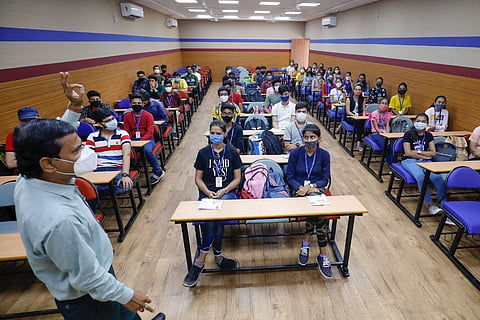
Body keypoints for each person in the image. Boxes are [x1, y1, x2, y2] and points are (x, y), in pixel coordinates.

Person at [13, 119, 165, 319]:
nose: (86, 153)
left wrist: (73, 110)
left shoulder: (28, 179)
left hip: (94, 276)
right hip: (89, 297)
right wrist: (127, 295)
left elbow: (53, 143)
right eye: (77, 151)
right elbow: (88, 278)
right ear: (48, 163)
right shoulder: (60, 221)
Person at [183, 120, 242, 287]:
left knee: (216, 214)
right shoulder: (203, 153)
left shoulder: (231, 152)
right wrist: (208, 193)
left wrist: (223, 191)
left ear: (224, 134)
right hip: (207, 194)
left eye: (218, 133)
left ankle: (200, 261)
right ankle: (218, 256)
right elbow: (198, 179)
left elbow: (237, 179)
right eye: (212, 133)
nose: (215, 136)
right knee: (214, 217)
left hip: (227, 193)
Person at [285, 123, 332, 278]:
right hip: (298, 189)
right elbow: (289, 176)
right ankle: (323, 254)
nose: (309, 140)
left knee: (316, 207)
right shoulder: (295, 154)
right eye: (306, 137)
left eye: (312, 137)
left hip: (315, 189)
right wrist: (300, 187)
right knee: (319, 212)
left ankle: (306, 242)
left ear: (319, 138)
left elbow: (325, 179)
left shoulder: (324, 155)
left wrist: (312, 186)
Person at [401, 113, 446, 215]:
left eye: (423, 121)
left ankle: (444, 204)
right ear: (414, 122)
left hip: (426, 160)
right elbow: (407, 152)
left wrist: (419, 152)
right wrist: (422, 156)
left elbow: (433, 152)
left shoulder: (429, 135)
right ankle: (430, 205)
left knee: (437, 178)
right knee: (421, 177)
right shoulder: (408, 134)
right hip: (409, 160)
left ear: (427, 124)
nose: (420, 123)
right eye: (418, 121)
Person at [87, 108, 133, 195]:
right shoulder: (92, 136)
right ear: (100, 124)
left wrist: (125, 175)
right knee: (87, 188)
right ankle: (103, 191)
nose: (112, 121)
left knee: (124, 187)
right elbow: (88, 157)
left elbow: (126, 155)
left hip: (117, 169)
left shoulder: (123, 134)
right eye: (108, 120)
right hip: (99, 169)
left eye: (112, 118)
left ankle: (101, 191)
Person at [123, 93, 166, 185]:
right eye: (134, 103)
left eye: (139, 103)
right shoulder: (127, 116)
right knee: (124, 150)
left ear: (143, 104)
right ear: (130, 105)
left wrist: (141, 141)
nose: (136, 105)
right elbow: (126, 131)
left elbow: (150, 132)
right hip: (133, 139)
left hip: (148, 139)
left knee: (147, 151)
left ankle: (158, 171)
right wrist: (129, 140)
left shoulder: (148, 115)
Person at [345, 83, 366, 151]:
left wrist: (363, 116)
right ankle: (358, 144)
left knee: (365, 121)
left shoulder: (362, 99)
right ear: (354, 90)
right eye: (356, 89)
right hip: (350, 116)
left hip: (359, 116)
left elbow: (363, 110)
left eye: (359, 90)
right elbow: (348, 111)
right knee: (360, 123)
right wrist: (355, 116)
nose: (358, 91)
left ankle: (364, 139)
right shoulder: (349, 99)